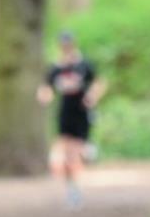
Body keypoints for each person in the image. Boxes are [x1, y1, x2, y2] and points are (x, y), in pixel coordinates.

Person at [37, 31, 106, 207]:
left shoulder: (84, 65)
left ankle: (77, 181)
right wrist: (45, 96)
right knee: (68, 154)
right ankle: (72, 188)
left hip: (82, 112)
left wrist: (92, 96)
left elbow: (99, 82)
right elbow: (46, 88)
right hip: (65, 112)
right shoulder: (56, 68)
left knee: (77, 152)